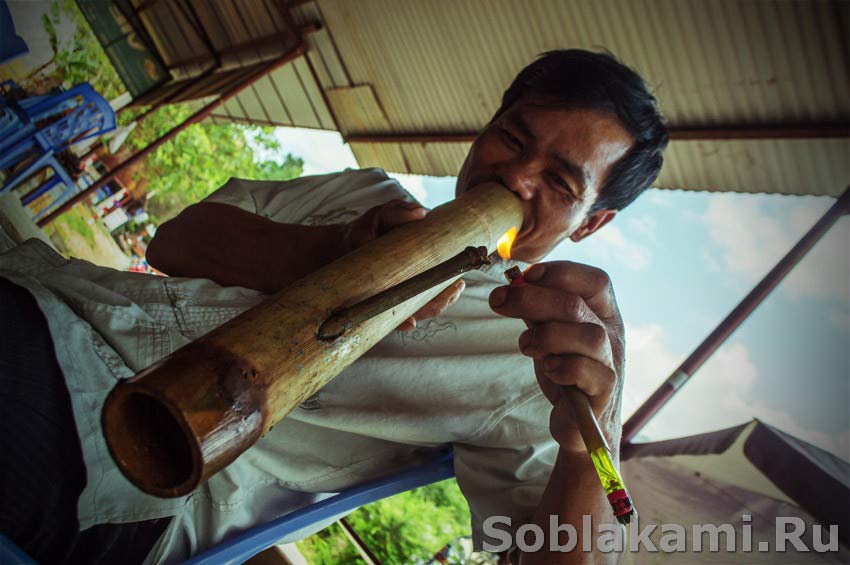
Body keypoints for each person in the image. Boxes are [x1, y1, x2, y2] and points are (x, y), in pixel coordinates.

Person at [0, 49, 666, 564]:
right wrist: (335, 249)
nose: (515, 178)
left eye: (558, 180)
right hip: (54, 314)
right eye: (512, 140)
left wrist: (590, 451)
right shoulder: (366, 194)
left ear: (590, 222)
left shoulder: (535, 357)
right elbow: (176, 240)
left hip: (127, 480)